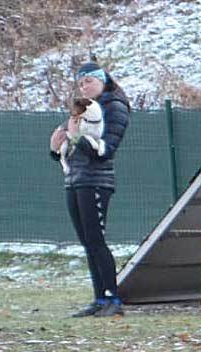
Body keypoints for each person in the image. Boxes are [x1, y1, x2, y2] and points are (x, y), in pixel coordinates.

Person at [49, 61, 131, 318]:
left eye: (89, 81)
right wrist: (55, 149)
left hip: (96, 180)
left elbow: (105, 150)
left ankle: (113, 299)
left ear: (102, 80)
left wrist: (75, 137)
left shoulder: (114, 107)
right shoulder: (83, 109)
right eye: (80, 83)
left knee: (96, 240)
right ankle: (99, 299)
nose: (84, 87)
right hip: (75, 179)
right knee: (87, 242)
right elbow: (72, 146)